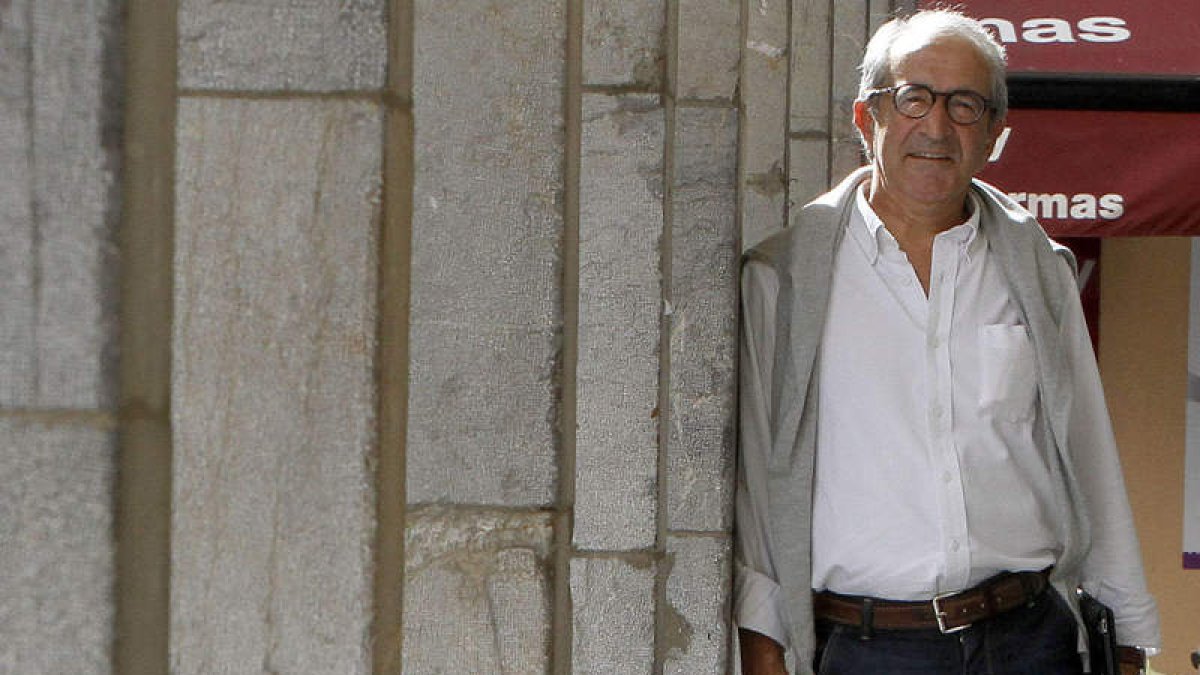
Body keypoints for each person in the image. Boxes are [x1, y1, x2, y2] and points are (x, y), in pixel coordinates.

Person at [735, 9, 1160, 675]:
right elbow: (760, 481)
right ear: (865, 118)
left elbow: (1087, 452)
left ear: (994, 133)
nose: (936, 127)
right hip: (870, 649)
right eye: (913, 99)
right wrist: (763, 649)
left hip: (1030, 641)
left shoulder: (1036, 268)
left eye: (965, 105)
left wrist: (1129, 639)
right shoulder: (785, 277)